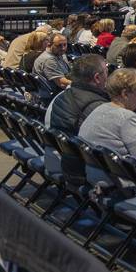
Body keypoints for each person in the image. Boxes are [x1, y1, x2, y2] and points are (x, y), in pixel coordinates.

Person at [78, 69, 136, 187]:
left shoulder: (98, 110)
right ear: (125, 94)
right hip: (128, 184)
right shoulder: (128, 119)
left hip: (98, 177)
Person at [44, 54, 109, 183]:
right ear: (97, 78)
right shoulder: (98, 107)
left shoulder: (61, 96)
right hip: (84, 171)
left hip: (67, 162)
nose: (109, 77)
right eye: (107, 72)